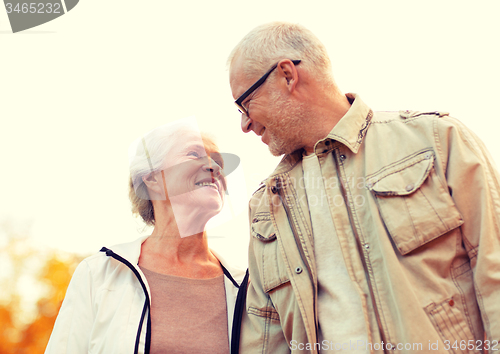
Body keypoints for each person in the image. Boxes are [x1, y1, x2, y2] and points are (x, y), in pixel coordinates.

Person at [228, 22, 500, 353]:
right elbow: (264, 335)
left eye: (245, 103)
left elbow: (494, 269)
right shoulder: (266, 207)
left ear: (287, 75)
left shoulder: (436, 142)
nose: (244, 124)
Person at [45, 122, 245, 354]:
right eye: (194, 154)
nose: (214, 167)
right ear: (152, 179)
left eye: (219, 162)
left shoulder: (246, 287)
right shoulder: (99, 273)